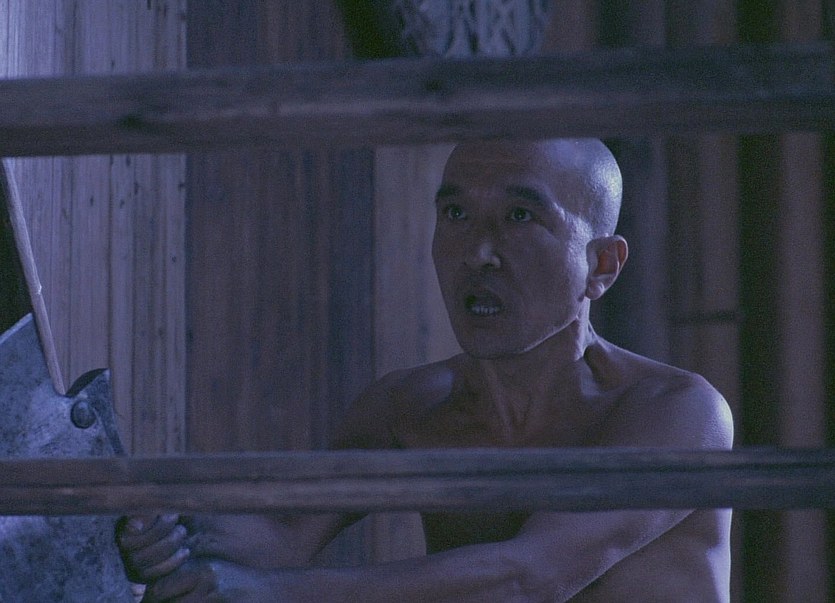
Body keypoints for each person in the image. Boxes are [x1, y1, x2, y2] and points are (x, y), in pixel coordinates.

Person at [117, 138, 734, 602]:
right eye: (456, 215)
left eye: (520, 217)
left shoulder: (677, 412)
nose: (478, 253)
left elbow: (529, 578)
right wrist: (172, 533)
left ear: (601, 265)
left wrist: (276, 596)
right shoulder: (407, 408)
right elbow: (283, 539)